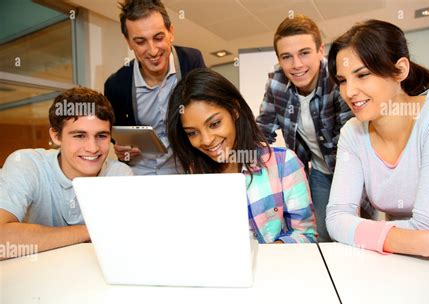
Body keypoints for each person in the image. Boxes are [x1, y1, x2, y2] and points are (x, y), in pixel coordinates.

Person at [326, 19, 429, 262]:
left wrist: (362, 232)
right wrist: (424, 242)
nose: (349, 92)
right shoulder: (352, 132)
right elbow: (335, 218)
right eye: (342, 80)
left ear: (400, 70)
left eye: (362, 75)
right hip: (402, 259)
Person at [167, 68, 317, 243]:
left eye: (215, 124)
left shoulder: (283, 164)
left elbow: (306, 235)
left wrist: (266, 254)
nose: (206, 140)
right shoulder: (194, 175)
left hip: (273, 267)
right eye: (192, 133)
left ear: (235, 110)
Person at [0, 87, 133, 260]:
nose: (93, 148)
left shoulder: (120, 175)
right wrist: (90, 231)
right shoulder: (27, 164)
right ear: (56, 136)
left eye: (101, 136)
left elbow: (129, 240)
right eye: (79, 135)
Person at [256, 15, 357, 242]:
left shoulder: (337, 79)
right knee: (322, 234)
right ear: (279, 60)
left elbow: (353, 135)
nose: (297, 65)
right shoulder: (277, 83)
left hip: (352, 167)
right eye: (287, 57)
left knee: (353, 235)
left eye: (304, 53)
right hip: (319, 171)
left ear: (321, 50)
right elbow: (263, 129)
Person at [104, 0, 206, 175]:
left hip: (186, 171)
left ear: (171, 32)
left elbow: (207, 112)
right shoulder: (116, 85)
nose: (152, 51)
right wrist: (122, 150)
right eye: (140, 41)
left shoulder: (192, 62)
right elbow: (117, 138)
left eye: (158, 38)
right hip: (139, 174)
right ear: (129, 42)